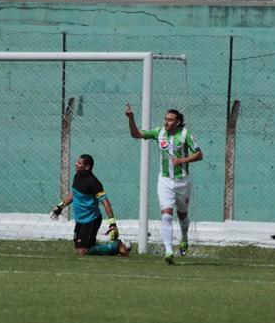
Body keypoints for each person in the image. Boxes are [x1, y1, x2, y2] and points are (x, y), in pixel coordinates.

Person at [125, 104, 203, 264]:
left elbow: (199, 154)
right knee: (167, 214)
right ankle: (168, 251)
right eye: (165, 119)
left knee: (182, 214)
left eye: (170, 120)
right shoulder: (159, 132)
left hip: (182, 181)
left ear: (178, 122)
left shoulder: (185, 135)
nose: (166, 122)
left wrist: (182, 160)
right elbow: (136, 134)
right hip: (165, 180)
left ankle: (185, 237)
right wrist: (131, 118)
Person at [50, 154, 130, 257]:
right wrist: (60, 207)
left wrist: (112, 223)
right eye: (77, 162)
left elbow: (105, 202)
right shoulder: (77, 176)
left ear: (87, 167)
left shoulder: (93, 183)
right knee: (82, 249)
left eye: (79, 163)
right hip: (80, 220)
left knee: (83, 252)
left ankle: (116, 247)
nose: (76, 164)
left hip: (91, 220)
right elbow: (73, 194)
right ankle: (112, 246)